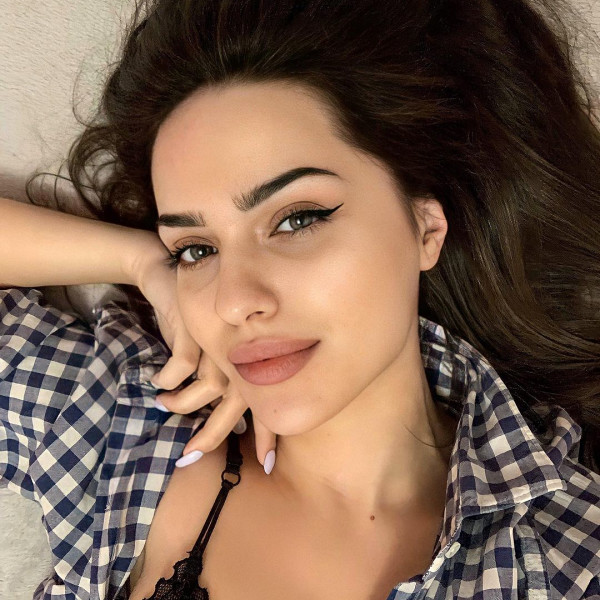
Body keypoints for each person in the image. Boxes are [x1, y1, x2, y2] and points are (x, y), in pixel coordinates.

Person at [1, 0, 600, 599]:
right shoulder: (121, 427)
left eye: (296, 220)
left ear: (425, 227)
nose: (235, 301)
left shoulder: (567, 560)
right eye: (197, 249)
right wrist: (142, 262)